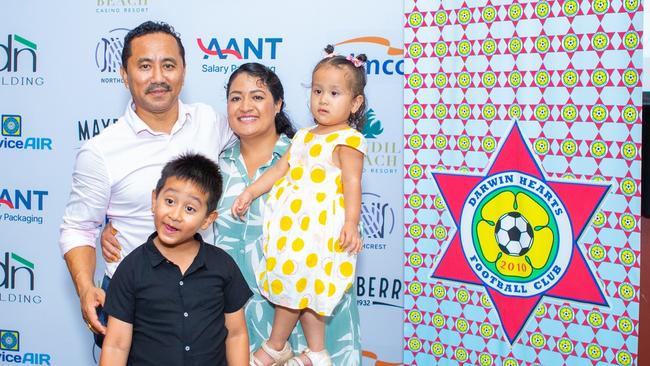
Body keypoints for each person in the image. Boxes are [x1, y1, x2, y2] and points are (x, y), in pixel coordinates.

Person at [102, 62, 363, 364]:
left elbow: (341, 223)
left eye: (257, 96)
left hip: (310, 318)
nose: (245, 106)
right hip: (234, 329)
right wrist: (113, 227)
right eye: (235, 98)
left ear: (278, 104)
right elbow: (170, 210)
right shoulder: (214, 167)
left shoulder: (314, 158)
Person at [58, 20, 233, 346]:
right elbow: (78, 228)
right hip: (133, 304)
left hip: (205, 299)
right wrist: (85, 288)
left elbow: (262, 140)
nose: (158, 77)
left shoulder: (210, 122)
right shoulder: (100, 151)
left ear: (183, 70)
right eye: (144, 66)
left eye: (168, 65)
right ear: (125, 75)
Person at [232, 46, 368, 366]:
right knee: (300, 288)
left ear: (355, 102)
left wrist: (351, 223)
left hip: (321, 233)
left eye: (334, 93)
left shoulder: (348, 140)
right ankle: (317, 353)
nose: (322, 99)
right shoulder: (304, 136)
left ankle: (275, 346)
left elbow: (352, 184)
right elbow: (280, 171)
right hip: (293, 230)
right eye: (318, 90)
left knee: (299, 287)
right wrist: (250, 192)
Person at [99, 153, 250, 366]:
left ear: (208, 219)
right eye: (169, 201)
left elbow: (236, 334)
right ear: (154, 200)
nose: (175, 215)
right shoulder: (131, 269)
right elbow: (116, 345)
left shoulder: (222, 265)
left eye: (190, 209)